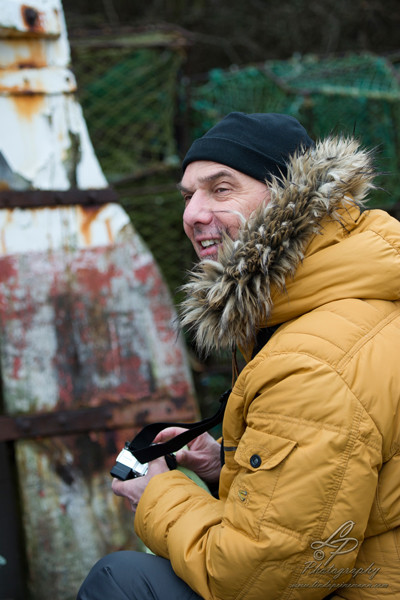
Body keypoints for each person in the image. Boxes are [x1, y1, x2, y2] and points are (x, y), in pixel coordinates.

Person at [77, 112, 400, 599]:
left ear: (295, 200)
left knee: (120, 579)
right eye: (188, 196)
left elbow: (258, 581)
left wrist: (160, 495)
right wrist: (226, 467)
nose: (192, 215)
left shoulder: (311, 361)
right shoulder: (346, 297)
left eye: (221, 190)